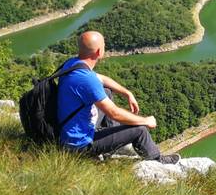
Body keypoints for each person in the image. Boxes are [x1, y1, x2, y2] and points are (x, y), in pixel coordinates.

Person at [57, 30, 180, 164]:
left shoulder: (72, 64)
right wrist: (145, 120)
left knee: (107, 92)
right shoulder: (87, 80)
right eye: (104, 44)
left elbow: (101, 79)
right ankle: (158, 160)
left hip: (69, 129)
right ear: (99, 51)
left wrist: (127, 93)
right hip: (80, 145)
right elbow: (114, 113)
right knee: (139, 130)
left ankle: (113, 146)